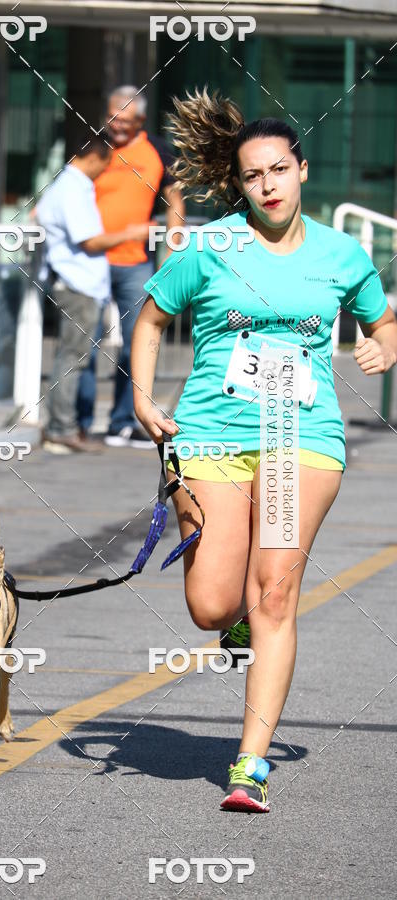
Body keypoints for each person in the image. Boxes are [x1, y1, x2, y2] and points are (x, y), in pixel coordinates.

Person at [131, 87, 397, 812]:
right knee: (212, 605)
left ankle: (250, 764)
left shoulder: (342, 253)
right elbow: (150, 321)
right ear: (239, 182)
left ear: (302, 170)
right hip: (211, 436)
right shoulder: (210, 248)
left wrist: (383, 347)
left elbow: (384, 323)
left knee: (275, 589)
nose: (269, 185)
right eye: (254, 175)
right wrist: (144, 399)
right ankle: (238, 622)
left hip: (298, 437)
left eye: (279, 169)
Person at [76, 86, 185, 448]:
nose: (116, 125)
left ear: (141, 119)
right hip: (89, 261)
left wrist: (172, 250)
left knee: (136, 344)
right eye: (112, 117)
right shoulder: (93, 147)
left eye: (124, 119)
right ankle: (81, 424)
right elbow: (69, 189)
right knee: (85, 345)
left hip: (136, 262)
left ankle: (122, 422)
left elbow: (175, 201)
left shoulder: (158, 150)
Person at [36, 134, 150, 453]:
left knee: (73, 356)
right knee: (73, 357)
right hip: (78, 285)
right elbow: (89, 241)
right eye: (105, 164)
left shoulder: (66, 186)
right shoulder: (72, 189)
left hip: (78, 284)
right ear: (94, 158)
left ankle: (63, 426)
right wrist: (131, 234)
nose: (104, 171)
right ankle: (61, 428)